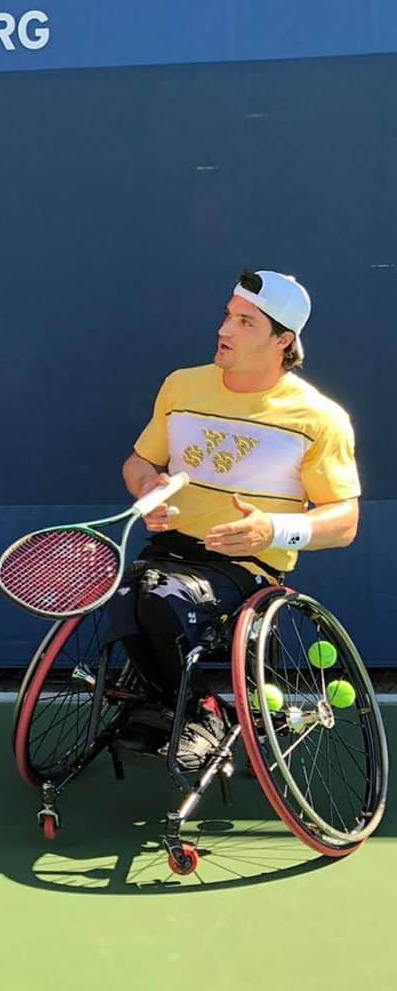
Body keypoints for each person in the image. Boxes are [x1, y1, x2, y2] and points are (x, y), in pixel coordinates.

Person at [106, 269, 361, 769]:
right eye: (228, 315)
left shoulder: (319, 418)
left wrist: (271, 528)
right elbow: (139, 463)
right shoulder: (181, 386)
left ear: (282, 340)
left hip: (243, 565)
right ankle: (167, 703)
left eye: (245, 322)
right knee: (119, 595)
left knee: (160, 602)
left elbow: (345, 521)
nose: (225, 330)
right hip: (168, 548)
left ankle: (201, 712)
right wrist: (146, 489)